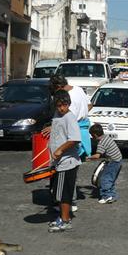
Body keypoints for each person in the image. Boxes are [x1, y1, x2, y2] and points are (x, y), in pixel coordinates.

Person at [44, 74, 92, 212]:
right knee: (72, 173)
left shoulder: (66, 97)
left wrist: (54, 127)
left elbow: (68, 117)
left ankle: (70, 203)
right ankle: (68, 201)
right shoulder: (78, 89)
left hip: (74, 135)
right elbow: (90, 104)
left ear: (58, 87)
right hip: (83, 131)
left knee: (69, 173)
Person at [47, 90, 82, 233]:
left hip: (67, 163)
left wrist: (60, 150)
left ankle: (65, 221)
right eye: (59, 105)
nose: (62, 108)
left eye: (65, 105)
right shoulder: (57, 115)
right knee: (59, 193)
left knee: (63, 194)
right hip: (59, 163)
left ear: (69, 104)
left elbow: (74, 138)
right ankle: (62, 217)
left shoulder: (69, 117)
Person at [87, 123, 122, 204]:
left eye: (91, 135)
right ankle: (112, 195)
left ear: (95, 135)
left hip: (113, 162)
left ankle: (107, 196)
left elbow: (97, 156)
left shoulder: (101, 142)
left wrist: (89, 157)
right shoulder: (106, 137)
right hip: (118, 160)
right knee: (111, 178)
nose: (92, 137)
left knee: (104, 179)